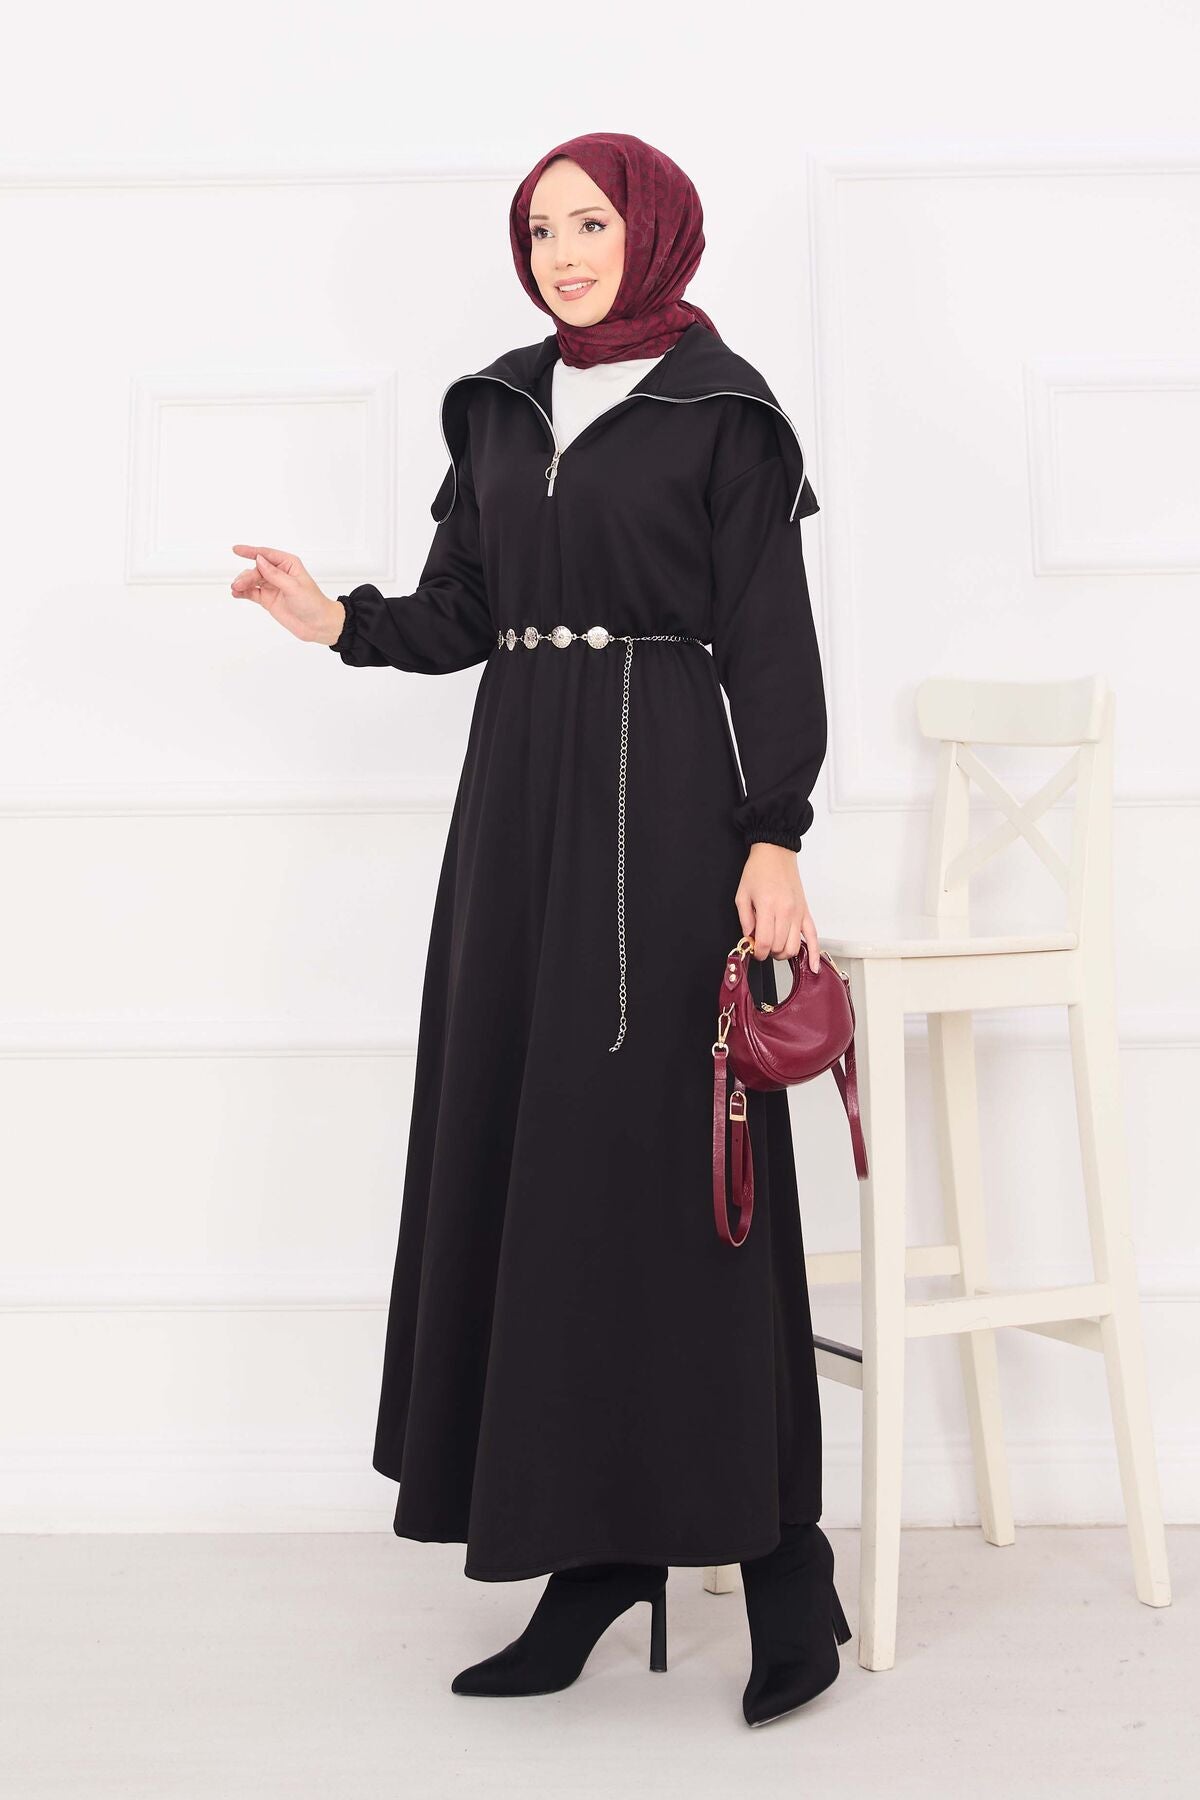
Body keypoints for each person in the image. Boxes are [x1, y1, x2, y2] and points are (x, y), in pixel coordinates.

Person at [230, 130, 849, 1726]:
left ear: (654, 232)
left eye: (588, 224)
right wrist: (339, 620)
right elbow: (464, 611)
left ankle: (786, 1567)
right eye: (537, 230)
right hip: (515, 813)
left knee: (679, 1178)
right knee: (546, 1168)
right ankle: (595, 1557)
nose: (561, 253)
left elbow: (769, 637)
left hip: (666, 811)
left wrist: (774, 830)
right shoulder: (499, 402)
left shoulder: (724, 409)